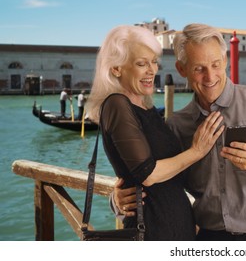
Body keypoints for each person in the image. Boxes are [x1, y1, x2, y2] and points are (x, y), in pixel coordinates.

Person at [113, 23, 246, 241]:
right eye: (199, 68)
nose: (210, 76)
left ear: (225, 60)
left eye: (215, 64)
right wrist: (118, 200)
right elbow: (157, 181)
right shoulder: (177, 125)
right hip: (208, 238)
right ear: (181, 69)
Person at [84, 25, 224, 240]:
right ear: (116, 69)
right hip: (152, 231)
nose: (152, 70)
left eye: (153, 61)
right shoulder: (117, 104)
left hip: (178, 228)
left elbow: (165, 174)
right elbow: (147, 174)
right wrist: (197, 150)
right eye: (141, 63)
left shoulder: (146, 108)